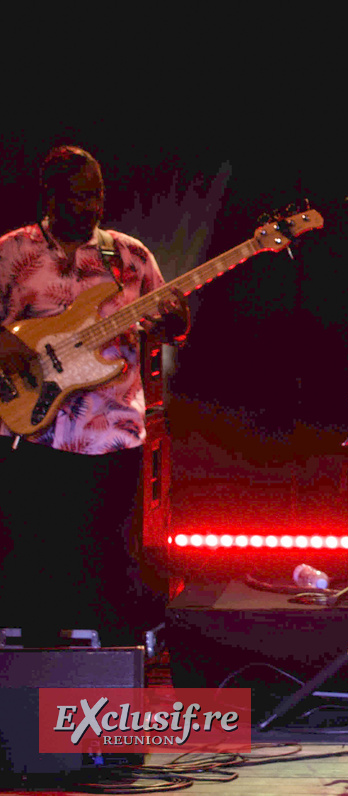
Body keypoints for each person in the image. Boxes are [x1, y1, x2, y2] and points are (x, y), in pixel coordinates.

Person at [0, 145, 188, 648]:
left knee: (114, 560)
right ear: (51, 196)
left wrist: (174, 319)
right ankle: (37, 673)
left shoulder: (129, 255)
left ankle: (118, 676)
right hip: (34, 427)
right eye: (80, 196)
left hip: (112, 431)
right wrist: (8, 345)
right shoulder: (12, 251)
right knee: (38, 555)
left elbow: (172, 324)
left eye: (98, 194)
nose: (93, 206)